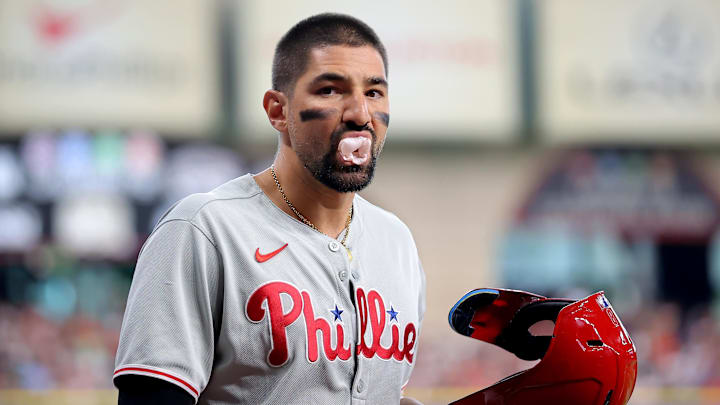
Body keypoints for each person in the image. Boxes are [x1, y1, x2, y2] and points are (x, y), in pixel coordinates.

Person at [113, 12, 426, 405]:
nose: (360, 114)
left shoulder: (396, 240)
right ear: (278, 111)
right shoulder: (203, 230)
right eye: (330, 90)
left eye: (374, 93)